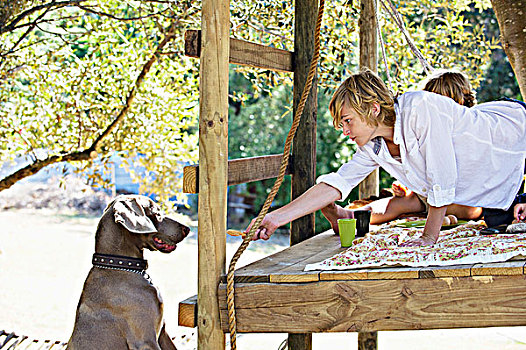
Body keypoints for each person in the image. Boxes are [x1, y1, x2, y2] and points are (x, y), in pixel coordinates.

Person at [245, 68, 526, 246]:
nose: (344, 131)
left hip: (515, 129)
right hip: (499, 177)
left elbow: (443, 176)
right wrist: (275, 217)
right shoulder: (374, 146)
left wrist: (428, 238)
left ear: (374, 109)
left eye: (347, 121)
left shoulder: (420, 108)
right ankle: (352, 217)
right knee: (500, 221)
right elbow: (337, 182)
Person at [326, 69, 483, 227]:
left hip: (460, 196)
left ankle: (439, 217)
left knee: (469, 209)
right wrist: (408, 186)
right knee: (398, 203)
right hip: (425, 194)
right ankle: (351, 216)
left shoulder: (463, 132)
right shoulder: (421, 125)